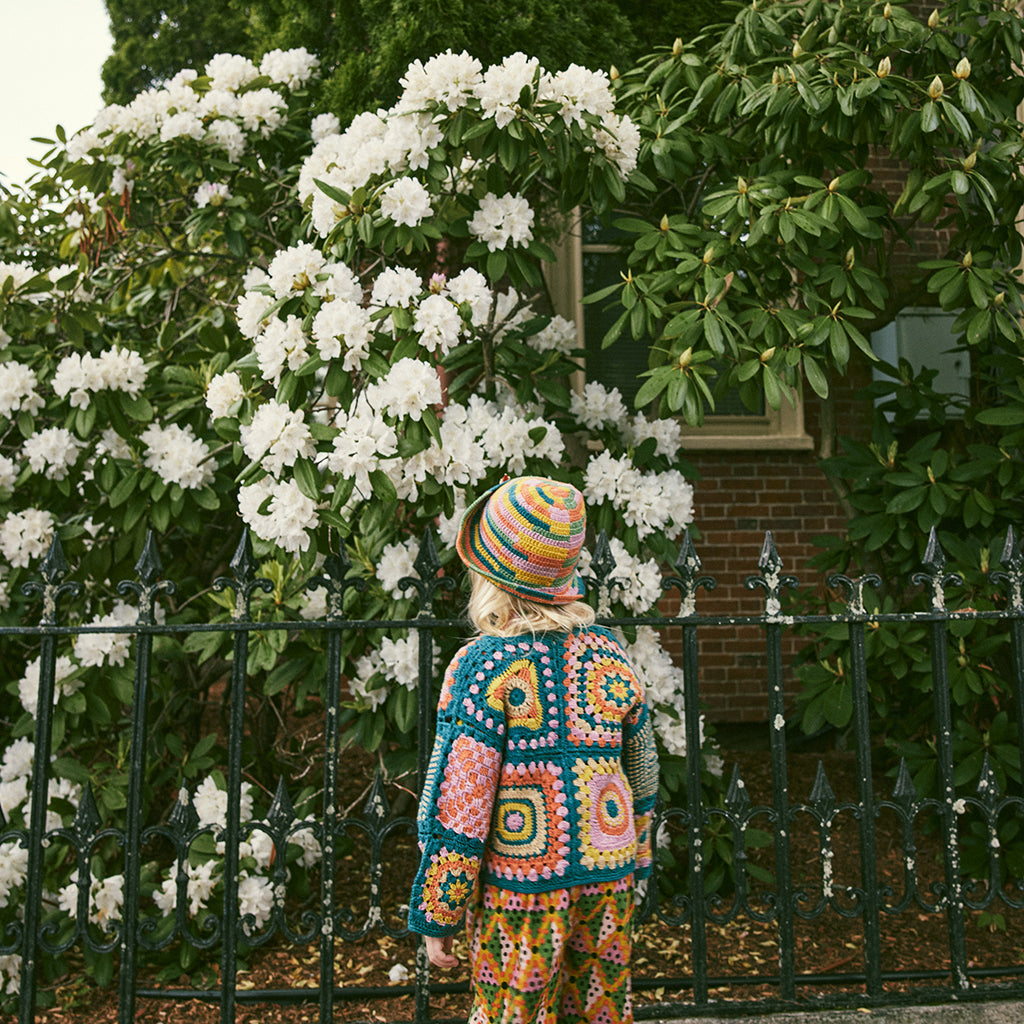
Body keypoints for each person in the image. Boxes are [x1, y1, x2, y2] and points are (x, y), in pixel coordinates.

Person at [408, 476, 660, 1024]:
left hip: (523, 890)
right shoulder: (610, 657)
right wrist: (637, 861)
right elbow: (641, 771)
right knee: (598, 1011)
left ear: (490, 576)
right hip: (608, 877)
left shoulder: (484, 668)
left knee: (512, 1013)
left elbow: (464, 804)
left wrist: (440, 913)